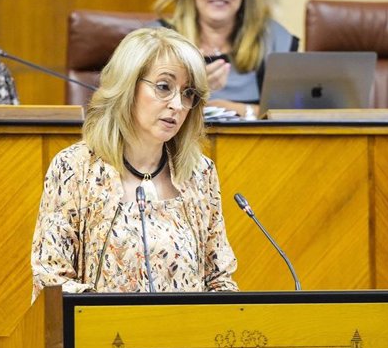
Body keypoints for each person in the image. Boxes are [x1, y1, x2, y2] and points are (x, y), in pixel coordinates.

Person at [31, 27, 238, 301]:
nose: (177, 104)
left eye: (187, 93)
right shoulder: (74, 167)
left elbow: (219, 280)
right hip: (104, 339)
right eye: (164, 87)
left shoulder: (199, 173)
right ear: (128, 85)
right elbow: (51, 280)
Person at [153, 0, 298, 119]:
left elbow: (293, 113)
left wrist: (237, 109)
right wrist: (191, 90)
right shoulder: (158, 39)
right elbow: (140, 109)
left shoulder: (272, 38)